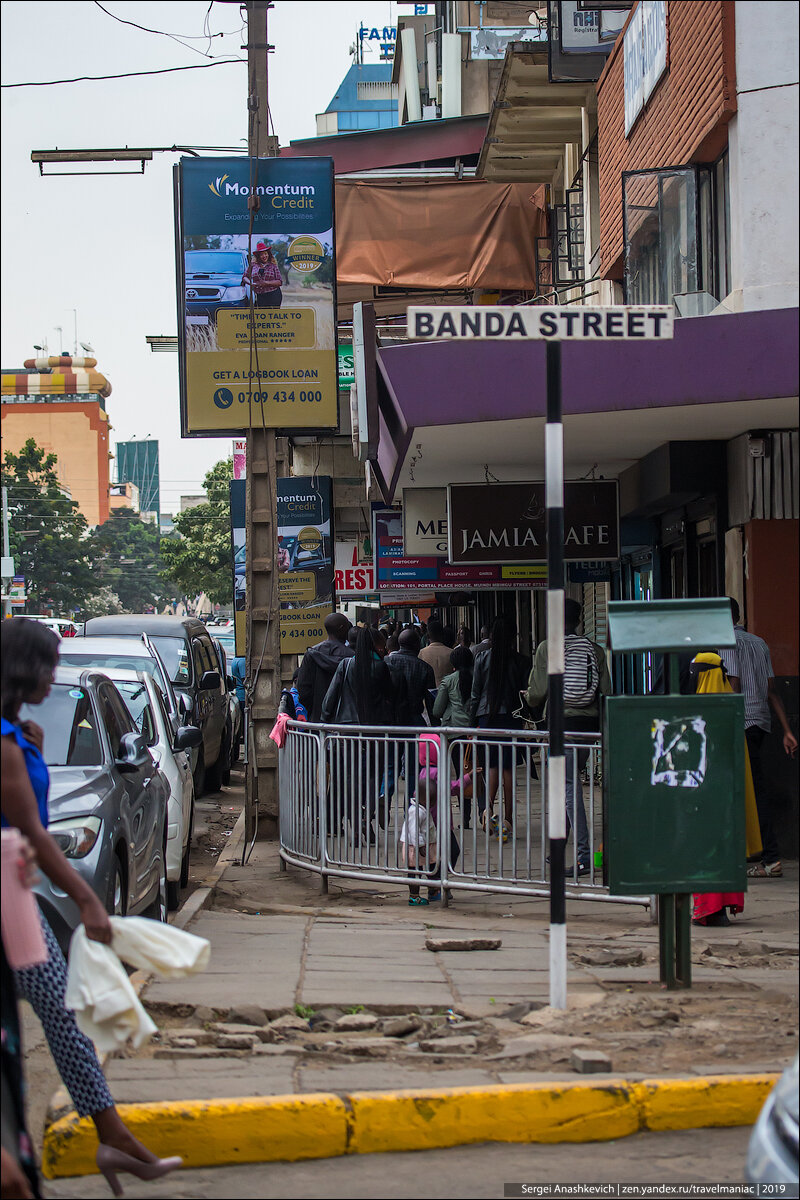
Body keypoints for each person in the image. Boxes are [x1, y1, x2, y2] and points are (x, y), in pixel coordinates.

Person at [0, 618, 182, 1194]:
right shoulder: (6, 745)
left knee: (60, 1018)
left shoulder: (16, 736)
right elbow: (33, 832)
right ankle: (105, 1138)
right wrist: (88, 901)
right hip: (9, 899)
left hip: (14, 895)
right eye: (47, 664)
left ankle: (108, 1136)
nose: (53, 675)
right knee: (60, 1014)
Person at [526, 598, 610, 876]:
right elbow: (606, 691)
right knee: (569, 784)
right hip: (589, 725)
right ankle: (560, 849)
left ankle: (584, 856)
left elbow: (537, 693)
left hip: (562, 724)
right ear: (579, 621)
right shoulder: (594, 649)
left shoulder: (546, 647)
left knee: (570, 788)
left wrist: (529, 696)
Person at [719, 598, 797, 879]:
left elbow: (734, 684)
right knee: (752, 790)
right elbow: (772, 690)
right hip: (760, 723)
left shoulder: (726, 642)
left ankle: (770, 857)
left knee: (749, 792)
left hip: (739, 723)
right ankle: (760, 854)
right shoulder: (759, 642)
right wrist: (787, 731)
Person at [689, 652, 762, 926]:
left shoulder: (700, 716)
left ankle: (708, 910)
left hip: (706, 800)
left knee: (705, 850)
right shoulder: (732, 711)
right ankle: (720, 908)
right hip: (728, 800)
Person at [321, 626, 405, 836]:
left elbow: (329, 700)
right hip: (374, 731)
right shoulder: (381, 667)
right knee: (372, 776)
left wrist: (324, 722)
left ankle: (355, 818)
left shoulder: (345, 665)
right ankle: (366, 814)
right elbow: (390, 697)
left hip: (346, 733)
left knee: (349, 778)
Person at [470, 616, 529, 840]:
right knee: (508, 769)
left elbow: (475, 695)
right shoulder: (522, 661)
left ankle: (488, 810)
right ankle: (508, 818)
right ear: (514, 636)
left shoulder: (482, 658)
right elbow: (526, 694)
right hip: (512, 718)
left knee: (491, 766)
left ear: (492, 636)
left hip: (486, 718)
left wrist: (470, 723)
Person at [399, 767, 462, 906]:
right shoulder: (416, 812)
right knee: (415, 871)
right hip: (414, 847)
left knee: (428, 865)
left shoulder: (422, 809)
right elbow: (413, 831)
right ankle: (414, 896)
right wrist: (420, 845)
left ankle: (433, 887)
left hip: (421, 845)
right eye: (433, 801)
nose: (434, 804)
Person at [433, 646, 477, 827]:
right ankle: (484, 810)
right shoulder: (477, 678)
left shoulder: (448, 681)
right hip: (476, 731)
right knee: (478, 771)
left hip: (455, 734)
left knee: (462, 773)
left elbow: (437, 710)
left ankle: (465, 818)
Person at [295, 613, 353, 723]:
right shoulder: (352, 656)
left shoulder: (311, 654)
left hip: (317, 721)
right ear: (342, 628)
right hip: (345, 722)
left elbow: (303, 690)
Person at [242, 241, 283, 308]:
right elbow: (244, 277)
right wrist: (251, 283)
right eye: (261, 254)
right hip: (260, 295)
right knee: (262, 315)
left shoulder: (273, 266)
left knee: (273, 315)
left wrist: (266, 283)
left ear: (268, 254)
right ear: (258, 256)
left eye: (265, 254)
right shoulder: (253, 265)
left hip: (273, 294)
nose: (264, 256)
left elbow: (279, 281)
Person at [418, 618, 454, 687]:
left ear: (427, 636)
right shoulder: (452, 653)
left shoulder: (421, 653)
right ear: (443, 635)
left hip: (428, 693)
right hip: (448, 692)